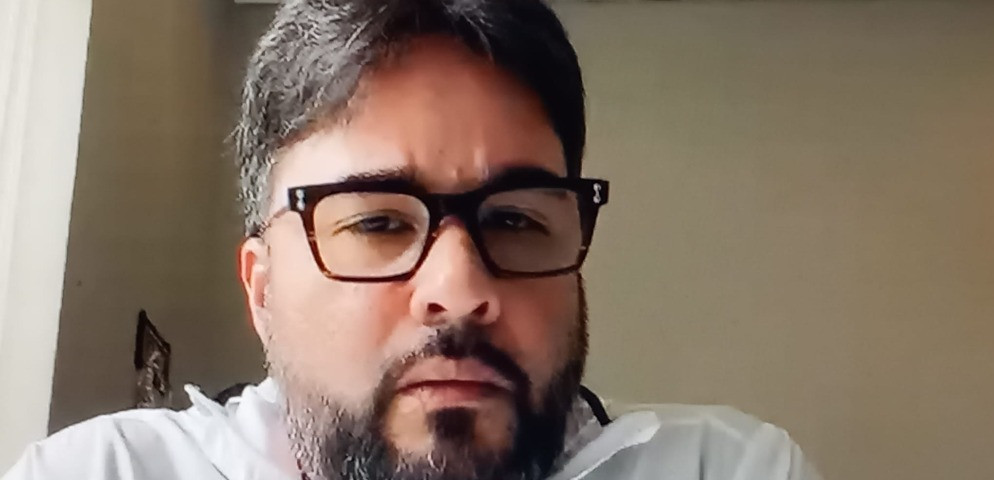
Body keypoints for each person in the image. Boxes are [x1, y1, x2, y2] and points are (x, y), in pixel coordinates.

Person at [3, 1, 822, 479]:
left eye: (515, 218)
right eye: (377, 222)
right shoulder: (99, 474)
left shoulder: (729, 469)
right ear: (262, 289)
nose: (460, 290)